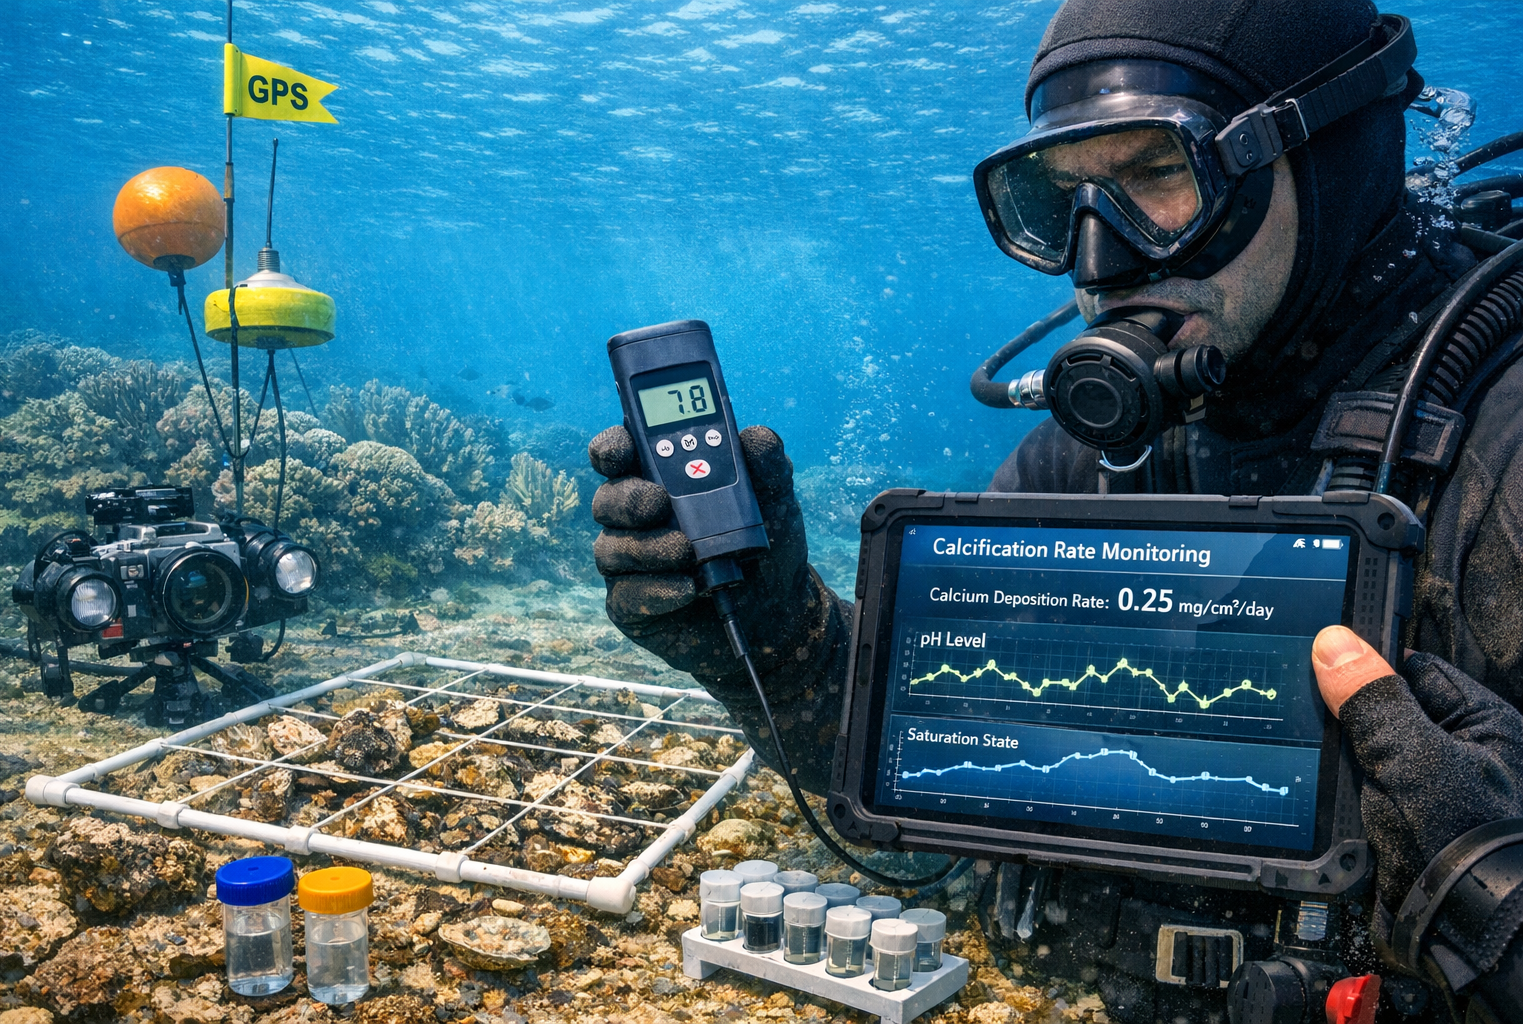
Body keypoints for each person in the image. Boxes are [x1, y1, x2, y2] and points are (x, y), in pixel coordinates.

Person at [589, 0, 1523, 1020]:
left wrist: (1497, 899)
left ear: (1329, 154)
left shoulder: (1503, 463)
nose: (1099, 259)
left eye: (1160, 175)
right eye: (1061, 199)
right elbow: (949, 779)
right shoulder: (1078, 465)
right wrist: (779, 646)